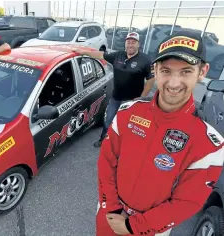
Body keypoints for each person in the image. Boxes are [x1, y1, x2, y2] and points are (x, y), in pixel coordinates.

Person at [96, 30, 224, 236]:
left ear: (202, 72)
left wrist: (133, 226)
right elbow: (107, 160)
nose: (174, 83)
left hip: (152, 229)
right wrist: (110, 207)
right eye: (166, 71)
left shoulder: (211, 144)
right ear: (155, 70)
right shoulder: (128, 112)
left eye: (185, 71)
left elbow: (187, 202)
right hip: (109, 214)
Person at [74, 32, 155, 147]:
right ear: (125, 44)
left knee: (128, 125)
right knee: (108, 121)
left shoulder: (145, 60)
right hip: (116, 97)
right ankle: (103, 140)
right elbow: (100, 55)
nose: (130, 45)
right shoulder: (118, 55)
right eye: (128, 42)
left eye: (133, 42)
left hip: (132, 101)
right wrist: (84, 52)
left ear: (138, 44)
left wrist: (142, 97)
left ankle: (123, 146)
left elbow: (151, 79)